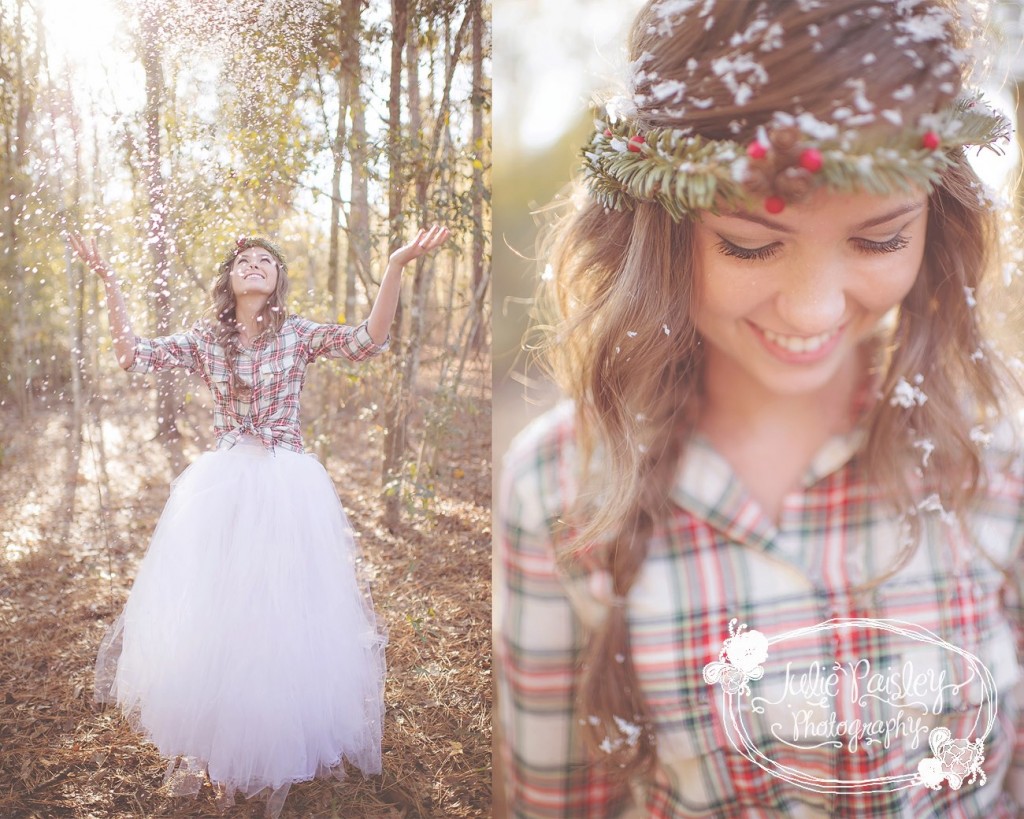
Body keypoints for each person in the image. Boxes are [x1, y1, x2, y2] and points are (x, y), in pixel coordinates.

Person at [495, 0, 1024, 815]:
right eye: (749, 244)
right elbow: (559, 800)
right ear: (662, 222)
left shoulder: (1005, 454)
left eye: (879, 239)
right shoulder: (556, 484)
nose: (813, 311)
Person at [69, 225, 449, 815]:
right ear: (229, 279)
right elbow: (132, 355)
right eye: (244, 259)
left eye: (266, 261)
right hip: (224, 484)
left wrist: (397, 263)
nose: (255, 265)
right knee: (223, 611)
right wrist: (112, 284)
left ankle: (275, 742)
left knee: (281, 611)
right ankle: (224, 746)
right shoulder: (205, 339)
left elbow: (370, 339)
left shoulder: (296, 334)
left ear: (276, 281)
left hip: (287, 483)